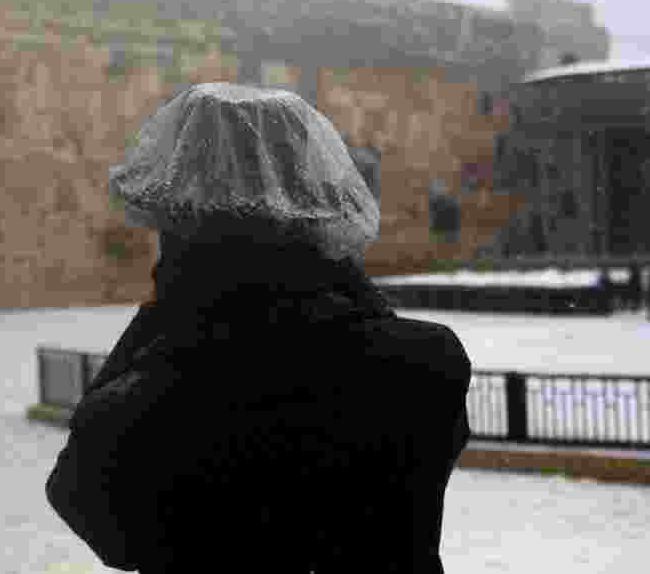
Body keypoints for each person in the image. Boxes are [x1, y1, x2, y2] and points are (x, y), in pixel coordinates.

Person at [45, 83, 472, 573]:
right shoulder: (426, 365)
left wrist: (170, 304)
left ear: (181, 226)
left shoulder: (154, 406)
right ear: (317, 199)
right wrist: (339, 272)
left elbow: (79, 497)